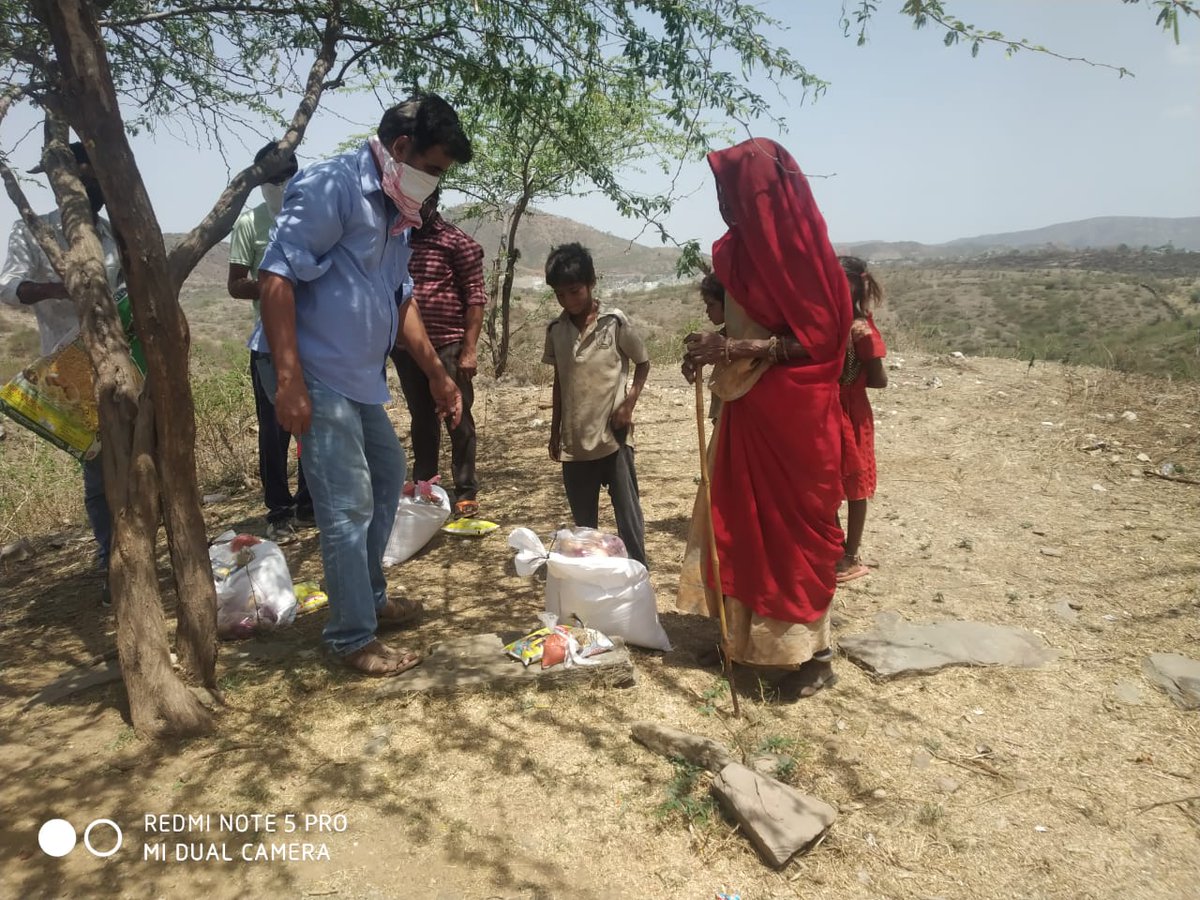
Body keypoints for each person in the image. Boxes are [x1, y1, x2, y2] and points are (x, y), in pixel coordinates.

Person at [252, 94, 472, 677]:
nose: (436, 181)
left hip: (356, 377)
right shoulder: (334, 187)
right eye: (435, 168)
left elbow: (401, 300)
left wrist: (437, 374)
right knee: (347, 503)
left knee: (388, 477)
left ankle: (369, 600)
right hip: (312, 371)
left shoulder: (398, 209)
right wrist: (289, 381)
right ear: (401, 149)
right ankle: (352, 636)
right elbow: (275, 277)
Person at [678, 137, 852, 700]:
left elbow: (821, 342)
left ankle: (814, 658)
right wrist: (711, 346)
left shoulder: (805, 257)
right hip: (747, 411)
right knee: (737, 523)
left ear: (762, 193)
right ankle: (739, 641)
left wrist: (732, 350)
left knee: (788, 535)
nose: (724, 203)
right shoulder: (737, 252)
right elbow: (751, 325)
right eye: (720, 192)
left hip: (795, 423)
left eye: (732, 191)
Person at [0, 141, 121, 603]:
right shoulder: (35, 231)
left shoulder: (111, 233)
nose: (97, 190)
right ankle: (112, 562)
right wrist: (59, 287)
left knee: (136, 455)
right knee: (98, 469)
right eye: (88, 181)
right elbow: (8, 287)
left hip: (121, 358)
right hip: (68, 367)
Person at [543, 243, 651, 567]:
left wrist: (629, 404)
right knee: (585, 528)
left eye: (574, 291)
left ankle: (637, 573)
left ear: (591, 283)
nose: (568, 301)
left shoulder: (613, 323)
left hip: (613, 439)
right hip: (575, 443)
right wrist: (555, 431)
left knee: (628, 517)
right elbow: (560, 382)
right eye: (560, 294)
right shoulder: (556, 330)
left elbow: (643, 362)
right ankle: (593, 576)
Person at [227, 142, 313, 545]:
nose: (279, 185)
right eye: (270, 179)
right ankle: (279, 510)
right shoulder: (250, 223)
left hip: (314, 339)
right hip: (269, 345)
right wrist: (276, 285)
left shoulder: (312, 217)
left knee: (312, 426)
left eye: (284, 176)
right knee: (275, 430)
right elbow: (235, 283)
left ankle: (309, 503)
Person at [389, 189, 486, 516]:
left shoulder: (457, 243)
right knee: (422, 419)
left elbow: (475, 299)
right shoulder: (397, 240)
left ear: (432, 202)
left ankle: (466, 490)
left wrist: (469, 350)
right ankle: (426, 488)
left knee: (458, 417)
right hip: (408, 350)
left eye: (421, 201)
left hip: (448, 345)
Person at [835, 256, 888, 583]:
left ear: (855, 286)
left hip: (852, 413)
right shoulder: (834, 322)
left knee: (855, 484)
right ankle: (834, 546)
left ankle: (851, 555)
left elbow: (879, 380)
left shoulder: (861, 328)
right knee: (827, 479)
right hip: (829, 410)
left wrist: (862, 351)